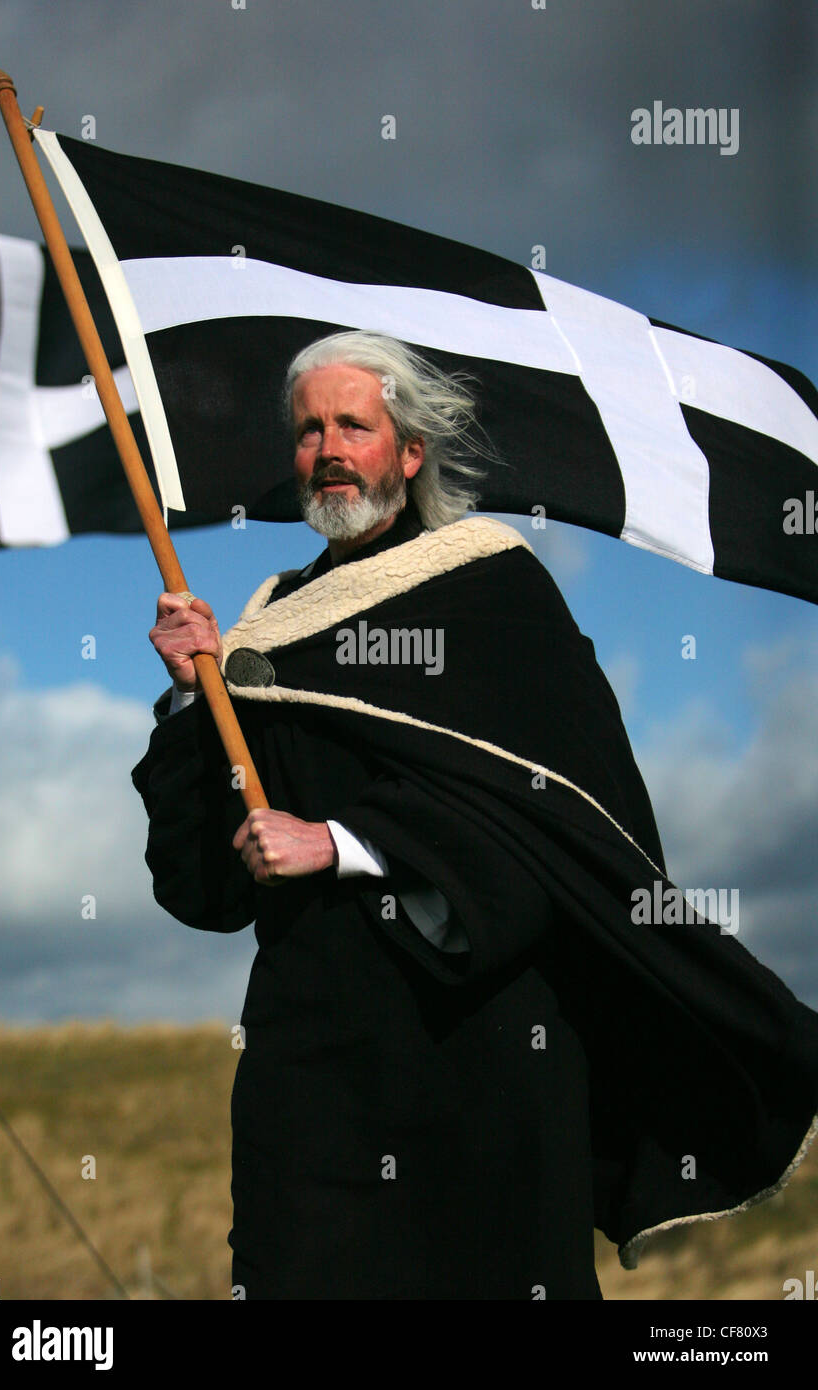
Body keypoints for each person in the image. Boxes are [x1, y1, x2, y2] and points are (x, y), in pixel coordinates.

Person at [131, 330, 818, 1302]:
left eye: (353, 425)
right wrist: (195, 696)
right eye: (309, 429)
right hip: (309, 1058)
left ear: (409, 451)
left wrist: (341, 842)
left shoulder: (489, 584)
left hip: (481, 1047)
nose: (327, 447)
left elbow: (545, 817)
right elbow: (202, 884)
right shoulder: (262, 623)